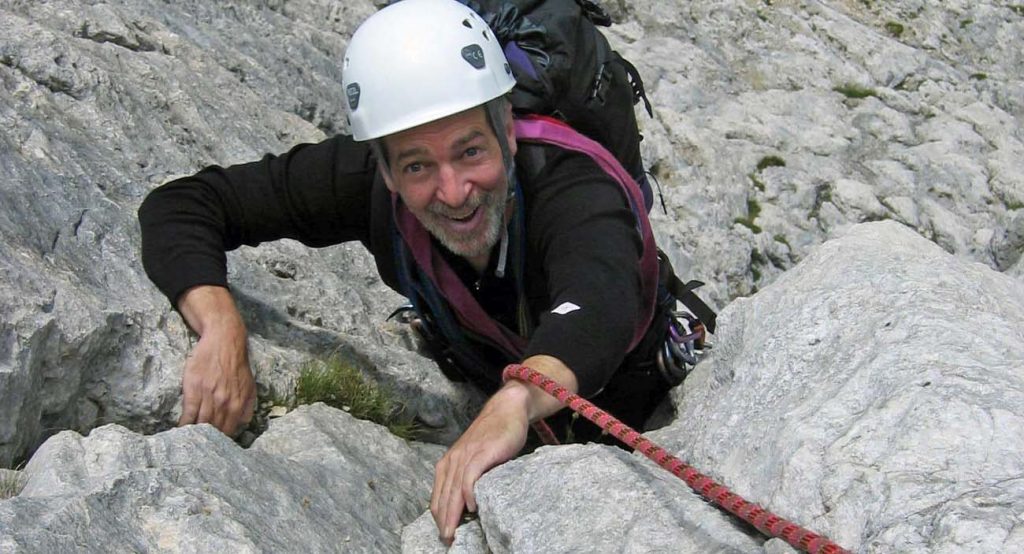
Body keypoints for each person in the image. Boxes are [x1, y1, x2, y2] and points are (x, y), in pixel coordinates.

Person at [139, 0, 698, 544]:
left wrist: (517, 401)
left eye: (470, 152)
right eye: (417, 167)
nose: (453, 192)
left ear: (506, 129)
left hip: (636, 399)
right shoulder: (368, 182)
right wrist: (220, 324)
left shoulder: (571, 183)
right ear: (384, 170)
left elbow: (598, 299)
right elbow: (187, 204)